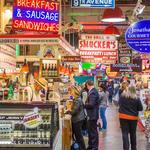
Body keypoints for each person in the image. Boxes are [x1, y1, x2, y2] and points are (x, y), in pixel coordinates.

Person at [119, 85, 143, 150]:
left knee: (125, 133)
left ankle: (126, 148)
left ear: (127, 89)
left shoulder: (122, 96)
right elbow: (140, 108)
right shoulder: (136, 98)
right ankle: (133, 148)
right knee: (133, 133)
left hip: (123, 117)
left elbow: (119, 104)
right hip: (133, 118)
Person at [69, 85, 86, 150]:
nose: (70, 93)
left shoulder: (77, 100)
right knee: (78, 135)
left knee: (78, 136)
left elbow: (74, 111)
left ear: (73, 92)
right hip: (79, 119)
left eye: (71, 92)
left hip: (77, 120)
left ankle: (82, 148)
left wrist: (69, 111)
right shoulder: (77, 99)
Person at [85, 80, 100, 150]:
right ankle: (91, 145)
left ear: (87, 85)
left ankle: (94, 147)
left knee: (93, 131)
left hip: (92, 115)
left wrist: (84, 105)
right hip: (92, 114)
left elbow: (91, 104)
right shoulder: (93, 91)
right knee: (90, 131)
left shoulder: (93, 92)